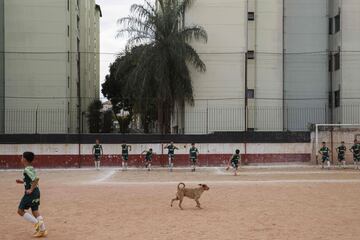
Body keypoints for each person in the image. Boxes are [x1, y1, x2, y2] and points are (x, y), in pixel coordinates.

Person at [16, 152, 47, 238]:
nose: (21, 158)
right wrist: (22, 181)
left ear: (25, 159)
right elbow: (31, 179)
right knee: (35, 211)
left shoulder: (26, 169)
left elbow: (36, 179)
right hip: (36, 192)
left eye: (22, 157)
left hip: (31, 193)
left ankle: (36, 223)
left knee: (20, 210)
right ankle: (43, 230)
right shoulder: (30, 168)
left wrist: (30, 189)